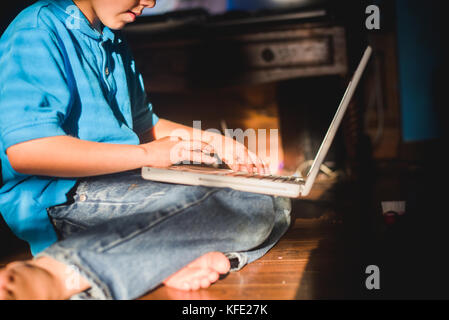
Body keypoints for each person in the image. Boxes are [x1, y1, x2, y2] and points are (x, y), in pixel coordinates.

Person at [0, 0, 291, 300]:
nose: (150, 2)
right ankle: (56, 273)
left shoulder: (111, 37)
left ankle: (159, 262)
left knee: (270, 198)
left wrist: (215, 141)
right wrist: (152, 155)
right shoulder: (36, 30)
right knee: (240, 203)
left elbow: (143, 125)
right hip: (63, 200)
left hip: (119, 183)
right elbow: (28, 152)